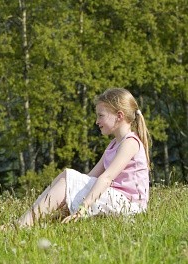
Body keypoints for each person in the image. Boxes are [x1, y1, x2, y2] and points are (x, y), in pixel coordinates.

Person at [13, 88, 150, 228]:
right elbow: (89, 178)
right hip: (115, 199)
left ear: (119, 116)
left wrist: (83, 207)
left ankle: (22, 225)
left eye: (101, 115)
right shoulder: (114, 144)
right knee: (68, 178)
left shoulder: (130, 143)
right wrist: (70, 196)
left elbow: (106, 178)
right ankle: (32, 220)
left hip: (130, 207)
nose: (97, 121)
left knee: (68, 176)